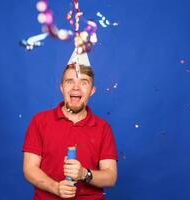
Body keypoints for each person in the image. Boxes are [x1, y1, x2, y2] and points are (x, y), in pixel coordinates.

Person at [22, 51, 118, 200]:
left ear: (92, 91)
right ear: (62, 87)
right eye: (70, 81)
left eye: (83, 82)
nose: (76, 88)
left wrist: (84, 174)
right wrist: (56, 187)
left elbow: (110, 177)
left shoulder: (103, 128)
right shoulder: (40, 121)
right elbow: (29, 168)